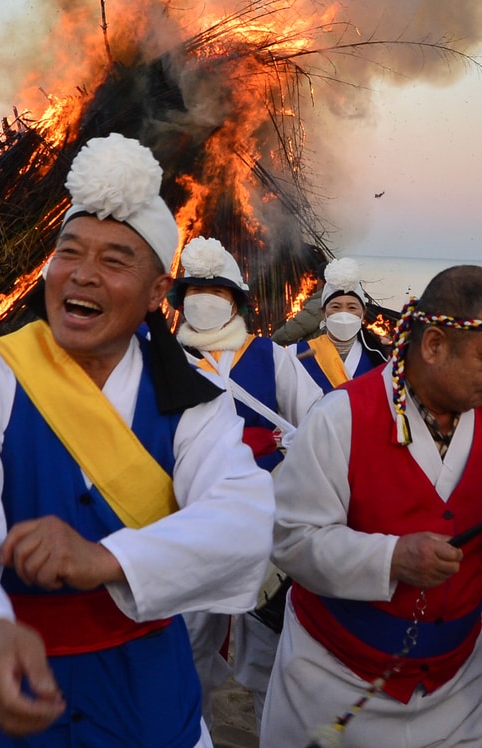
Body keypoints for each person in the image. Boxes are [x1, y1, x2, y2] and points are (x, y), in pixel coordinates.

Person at [0, 134, 275, 746]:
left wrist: (104, 559)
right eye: (69, 252)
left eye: (115, 260)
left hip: (147, 701)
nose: (82, 274)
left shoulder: (193, 403)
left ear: (160, 292)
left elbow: (243, 518)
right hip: (2, 690)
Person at [260, 265, 482, 747]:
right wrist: (390, 557)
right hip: (330, 678)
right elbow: (293, 540)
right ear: (433, 345)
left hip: (456, 689)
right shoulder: (340, 417)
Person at [169, 235, 322, 723]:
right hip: (188, 523)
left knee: (266, 651)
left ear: (235, 300)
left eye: (217, 292)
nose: (206, 300)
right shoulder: (159, 361)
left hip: (263, 524)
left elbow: (318, 421)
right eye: (195, 290)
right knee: (189, 646)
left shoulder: (271, 358)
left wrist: (298, 452)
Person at [289, 257, 397, 393]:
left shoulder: (378, 359)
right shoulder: (297, 354)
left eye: (352, 308)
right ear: (324, 312)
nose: (344, 314)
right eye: (336, 307)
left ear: (363, 312)